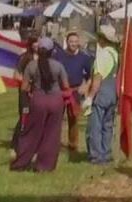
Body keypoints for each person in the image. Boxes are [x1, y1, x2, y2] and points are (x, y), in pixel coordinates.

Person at [11, 38, 70, 172]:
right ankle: (45, 166)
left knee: (31, 132)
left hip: (38, 100)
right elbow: (66, 85)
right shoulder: (58, 66)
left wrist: (33, 87)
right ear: (52, 51)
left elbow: (24, 87)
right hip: (55, 100)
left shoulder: (31, 65)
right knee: (52, 134)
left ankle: (21, 162)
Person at [54, 30, 93, 156]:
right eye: (71, 42)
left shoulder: (84, 58)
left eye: (76, 42)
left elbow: (91, 75)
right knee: (56, 118)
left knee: (73, 119)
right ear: (67, 42)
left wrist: (86, 86)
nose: (74, 44)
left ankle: (73, 145)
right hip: (60, 91)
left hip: (75, 92)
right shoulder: (59, 56)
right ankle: (53, 144)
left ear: (79, 43)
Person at [86, 25, 120, 166]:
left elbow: (98, 77)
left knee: (96, 126)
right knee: (108, 125)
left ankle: (96, 155)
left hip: (101, 93)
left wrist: (90, 97)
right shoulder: (115, 54)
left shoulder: (102, 55)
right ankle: (106, 153)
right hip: (112, 92)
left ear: (102, 39)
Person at [11, 31, 38, 154]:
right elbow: (16, 74)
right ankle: (15, 144)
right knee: (24, 117)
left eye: (39, 42)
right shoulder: (25, 57)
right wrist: (28, 83)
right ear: (31, 44)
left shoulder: (45, 57)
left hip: (38, 92)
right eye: (35, 42)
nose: (37, 45)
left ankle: (32, 143)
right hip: (25, 92)